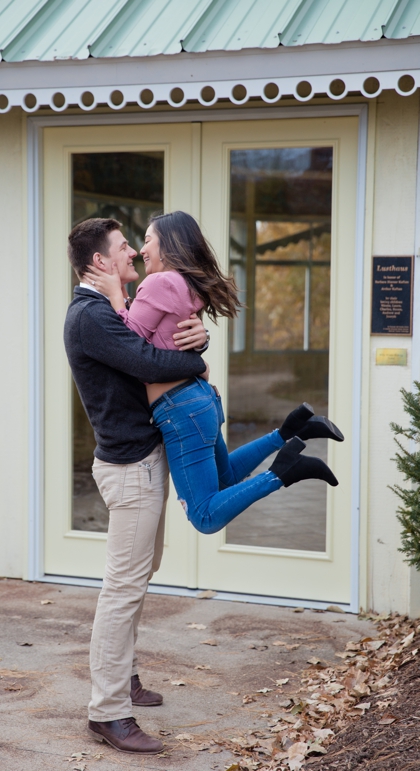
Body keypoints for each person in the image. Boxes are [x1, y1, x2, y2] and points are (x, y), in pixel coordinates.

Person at [81, 211, 341, 537]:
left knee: (205, 517)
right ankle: (290, 430)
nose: (141, 250)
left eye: (148, 240)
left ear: (169, 244)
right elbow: (161, 338)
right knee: (227, 478)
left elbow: (130, 341)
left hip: (180, 410)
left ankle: (283, 472)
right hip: (198, 400)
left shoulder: (158, 282)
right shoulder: (183, 284)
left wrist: (116, 296)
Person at [62, 217, 211, 754]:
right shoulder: (89, 316)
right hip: (130, 469)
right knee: (122, 589)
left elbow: (158, 340)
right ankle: (107, 712)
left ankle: (123, 678)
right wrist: (199, 357)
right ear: (99, 262)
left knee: (141, 573)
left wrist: (198, 332)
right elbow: (150, 361)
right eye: (124, 248)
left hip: (144, 461)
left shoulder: (109, 312)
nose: (133, 254)